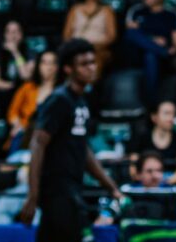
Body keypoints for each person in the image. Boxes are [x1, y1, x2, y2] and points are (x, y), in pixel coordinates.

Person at [18, 39, 121, 241]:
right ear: (68, 69)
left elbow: (84, 150)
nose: (91, 68)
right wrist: (32, 196)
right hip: (57, 191)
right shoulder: (59, 99)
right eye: (84, 64)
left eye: (93, 62)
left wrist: (111, 187)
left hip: (71, 188)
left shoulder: (81, 102)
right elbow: (37, 144)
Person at [95, 150, 176, 225]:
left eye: (159, 171)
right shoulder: (126, 191)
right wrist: (106, 217)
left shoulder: (173, 192)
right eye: (149, 171)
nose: (155, 176)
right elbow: (104, 219)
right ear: (138, 174)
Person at [124, 0, 176, 103]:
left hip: (161, 60)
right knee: (130, 34)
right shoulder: (136, 11)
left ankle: (151, 102)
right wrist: (153, 40)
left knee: (150, 55)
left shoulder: (172, 14)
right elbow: (131, 34)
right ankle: (161, 51)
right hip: (136, 54)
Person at [62, 0, 117, 79]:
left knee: (94, 59)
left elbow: (111, 36)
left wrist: (93, 46)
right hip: (76, 47)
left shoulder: (107, 10)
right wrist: (76, 47)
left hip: (98, 49)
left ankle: (89, 85)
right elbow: (66, 35)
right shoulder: (75, 9)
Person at [127, 100, 176, 185]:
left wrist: (162, 183)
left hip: (172, 185)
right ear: (154, 117)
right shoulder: (140, 138)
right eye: (167, 113)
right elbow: (133, 169)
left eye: (174, 114)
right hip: (144, 184)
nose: (171, 118)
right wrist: (149, 182)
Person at [6, 50, 58, 153]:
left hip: (52, 134)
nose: (49, 67)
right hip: (26, 132)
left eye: (52, 63)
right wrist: (18, 125)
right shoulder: (27, 87)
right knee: (18, 135)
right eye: (44, 63)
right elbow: (12, 112)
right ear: (38, 65)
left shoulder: (62, 91)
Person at [0, 20, 34, 115]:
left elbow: (25, 76)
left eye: (16, 31)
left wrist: (15, 53)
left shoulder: (29, 53)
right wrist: (14, 86)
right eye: (9, 32)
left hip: (25, 94)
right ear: (4, 35)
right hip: (4, 94)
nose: (13, 36)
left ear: (22, 34)